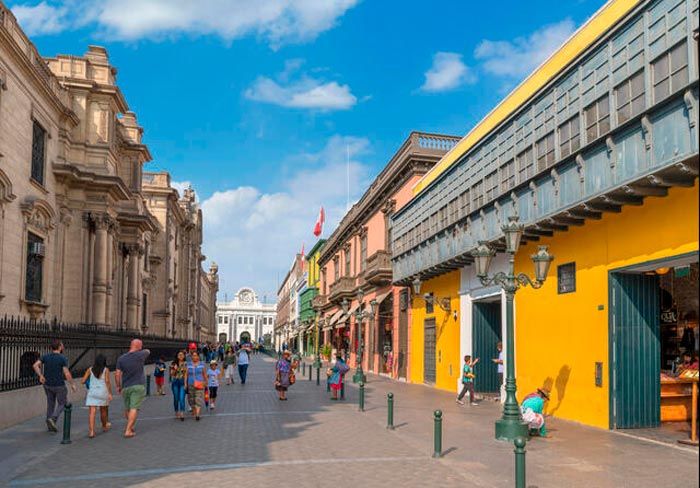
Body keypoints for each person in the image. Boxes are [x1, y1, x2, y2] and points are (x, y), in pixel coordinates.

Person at [32, 339, 76, 433]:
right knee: (63, 403)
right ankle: (53, 418)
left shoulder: (46, 356)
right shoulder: (62, 358)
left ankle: (50, 424)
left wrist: (40, 375)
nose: (63, 346)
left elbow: (35, 365)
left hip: (47, 384)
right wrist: (72, 384)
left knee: (50, 404)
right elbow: (66, 373)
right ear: (59, 347)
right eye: (62, 345)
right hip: (59, 385)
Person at [115, 339, 150, 438]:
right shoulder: (141, 355)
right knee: (134, 408)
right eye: (141, 346)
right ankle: (128, 430)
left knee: (128, 408)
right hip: (138, 385)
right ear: (139, 346)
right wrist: (140, 350)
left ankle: (131, 426)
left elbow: (117, 374)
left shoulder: (121, 358)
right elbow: (148, 351)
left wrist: (118, 386)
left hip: (126, 386)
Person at [81, 354, 112, 438]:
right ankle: (104, 426)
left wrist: (89, 381)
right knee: (103, 410)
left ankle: (91, 431)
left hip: (92, 392)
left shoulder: (90, 369)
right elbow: (107, 381)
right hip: (103, 392)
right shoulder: (106, 370)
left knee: (92, 412)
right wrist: (110, 393)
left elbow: (82, 381)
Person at [186, 351, 207, 420]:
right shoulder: (188, 364)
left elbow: (204, 374)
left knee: (198, 398)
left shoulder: (202, 364)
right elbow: (186, 375)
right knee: (191, 399)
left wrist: (206, 382)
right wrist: (185, 383)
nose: (194, 357)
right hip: (190, 383)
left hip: (200, 383)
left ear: (198, 356)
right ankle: (194, 410)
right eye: (193, 355)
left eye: (196, 355)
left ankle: (197, 414)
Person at [169, 350, 188, 421]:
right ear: (177, 356)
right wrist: (175, 369)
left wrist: (185, 384)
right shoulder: (173, 363)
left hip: (182, 382)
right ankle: (176, 411)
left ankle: (182, 413)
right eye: (179, 355)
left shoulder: (185, 363)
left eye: (182, 355)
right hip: (175, 382)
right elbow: (171, 374)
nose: (181, 356)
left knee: (182, 398)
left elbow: (186, 374)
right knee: (176, 398)